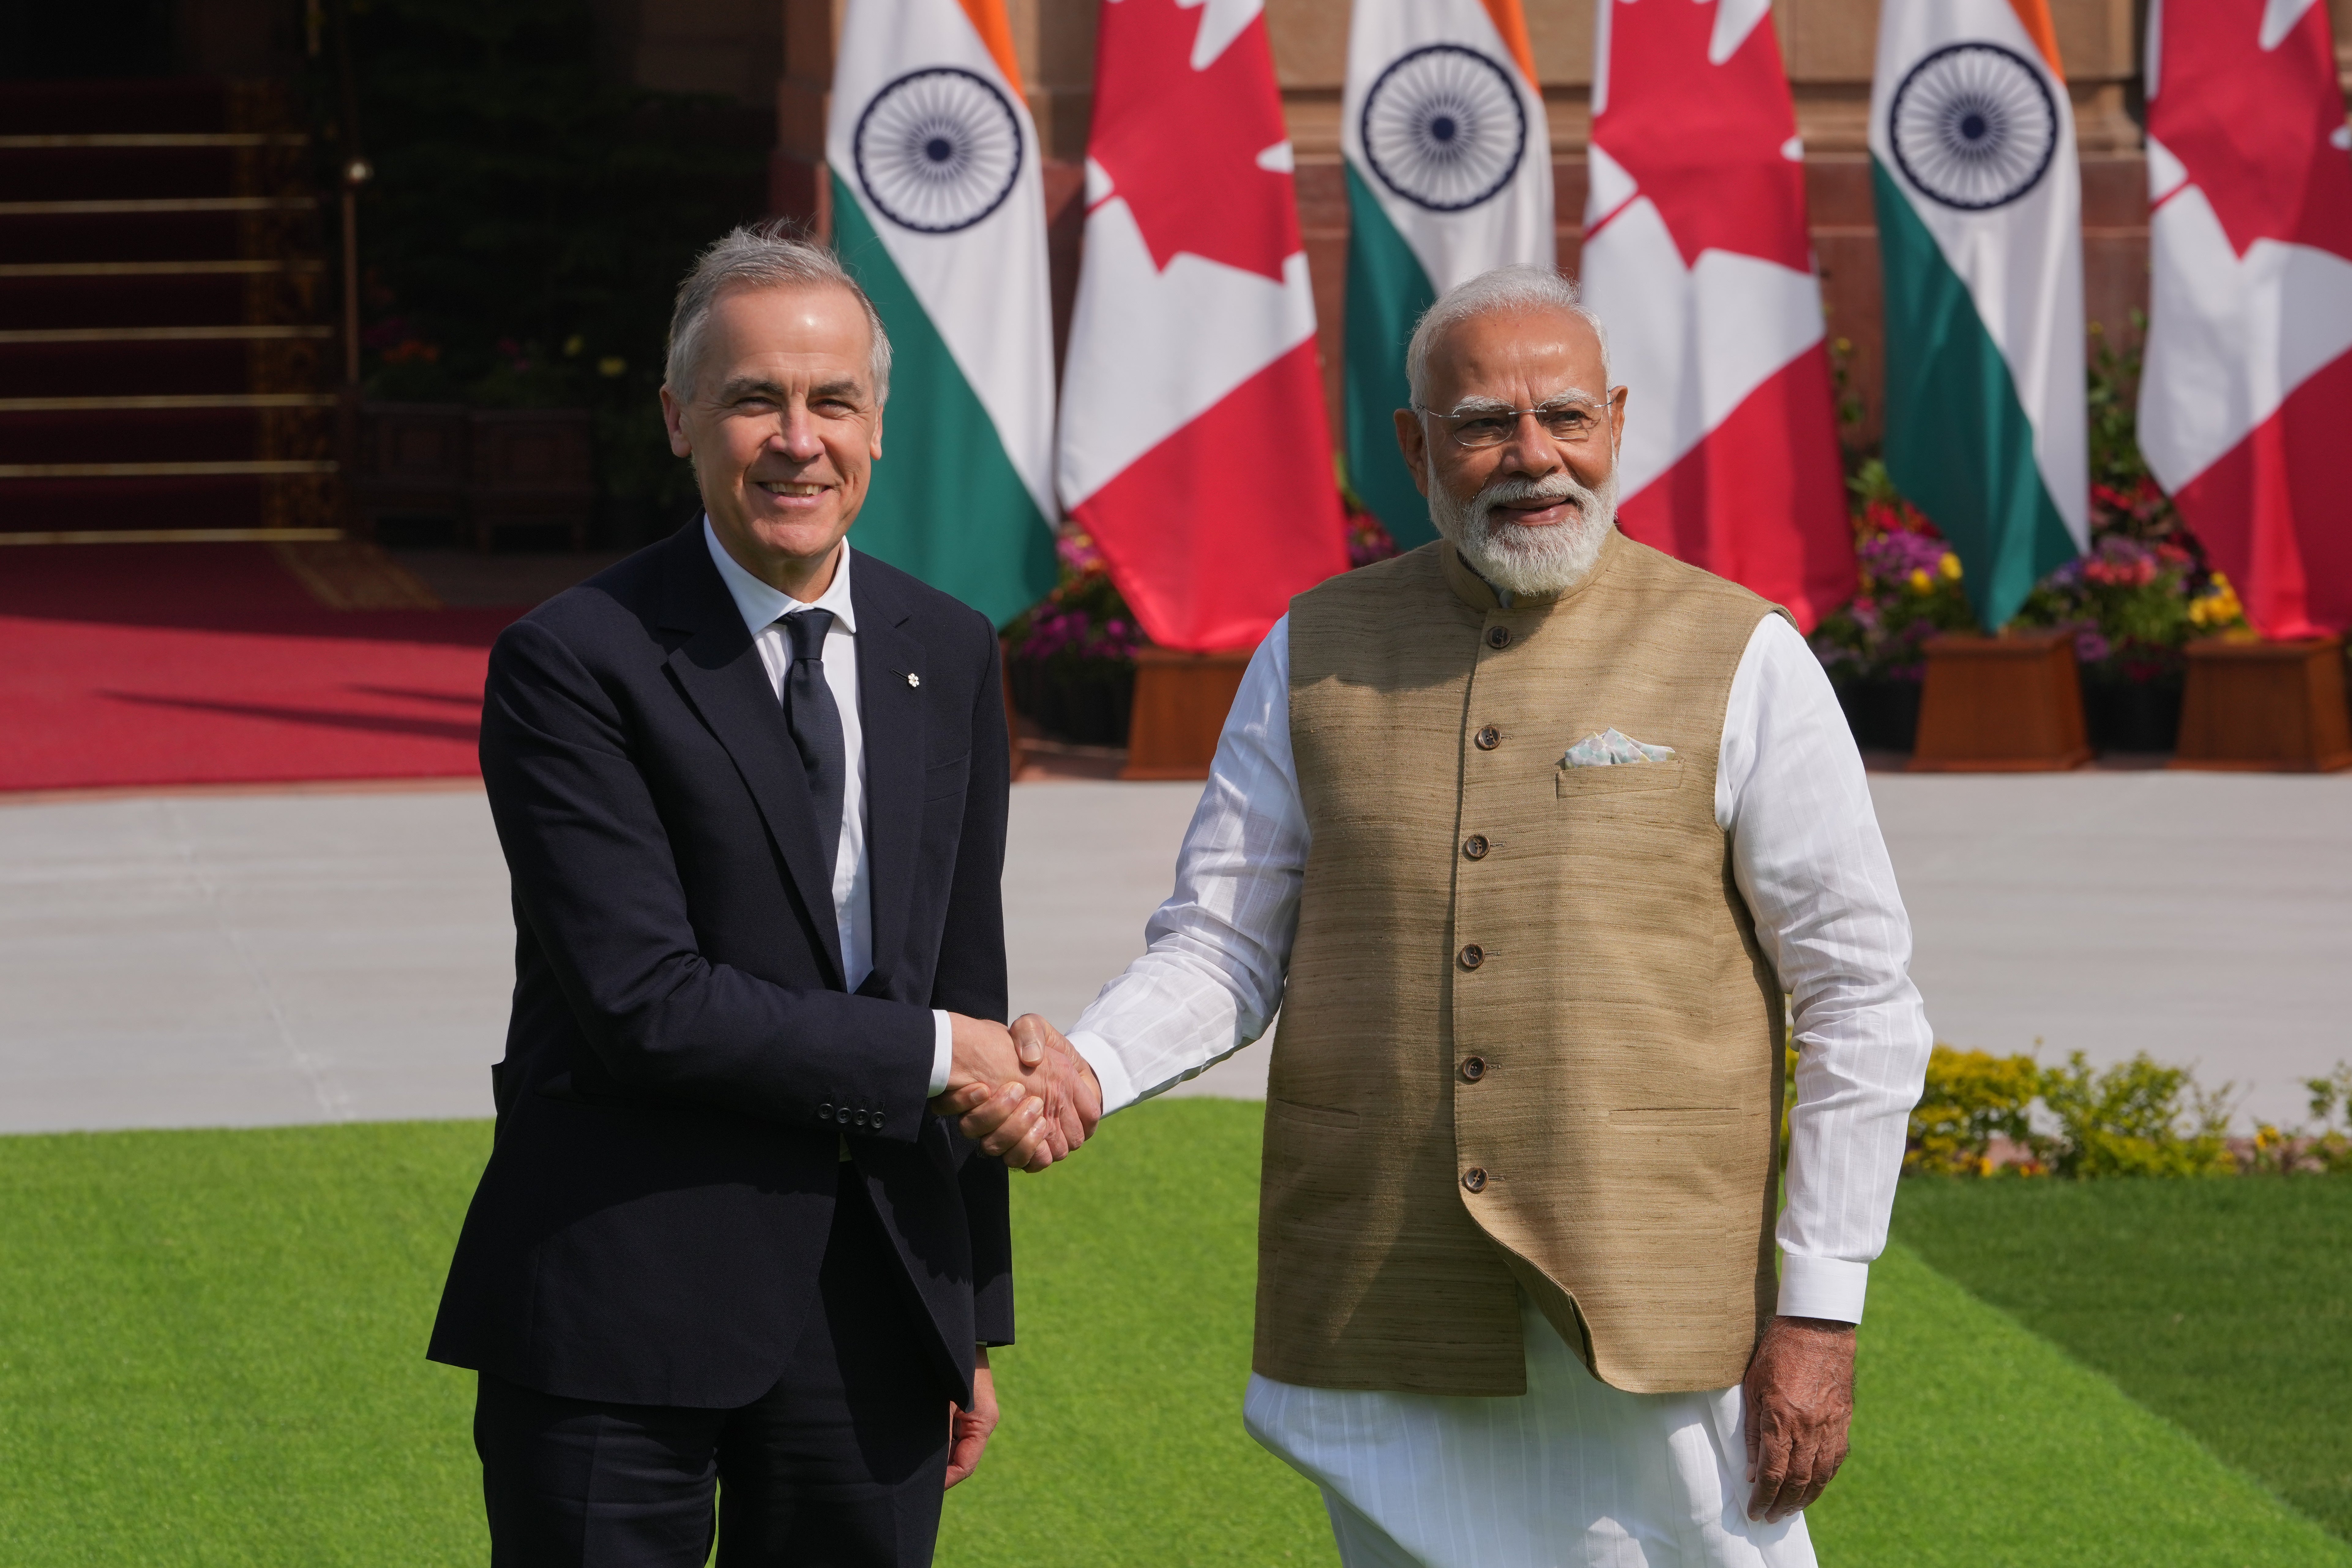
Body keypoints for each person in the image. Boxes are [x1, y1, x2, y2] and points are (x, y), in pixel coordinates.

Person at [967, 265, 1932, 1566]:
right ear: (1416, 445)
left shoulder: (1742, 655)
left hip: (1650, 1310)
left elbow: (1859, 999)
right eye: (1483, 424)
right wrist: (1087, 1065)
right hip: (1383, 1295)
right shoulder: (1311, 650)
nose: (1533, 458)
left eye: (1566, 417)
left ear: (1617, 425)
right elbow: (1222, 945)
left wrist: (1818, 1312)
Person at [427, 223, 1082, 1568]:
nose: (798, 439)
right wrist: (937, 1053)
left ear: (878, 427)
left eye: (832, 400)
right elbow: (643, 1004)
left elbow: (962, 980)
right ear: (678, 421)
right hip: (618, 1299)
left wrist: (961, 1320)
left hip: (874, 1320)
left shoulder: (947, 651)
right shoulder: (570, 664)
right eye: (752, 400)